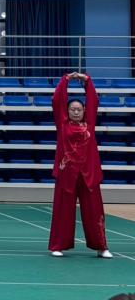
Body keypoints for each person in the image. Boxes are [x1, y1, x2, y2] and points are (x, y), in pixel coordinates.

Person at [48, 72, 111, 258]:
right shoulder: (62, 124)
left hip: (88, 174)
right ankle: (58, 246)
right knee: (63, 212)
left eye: (79, 109)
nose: (76, 112)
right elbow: (56, 99)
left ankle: (101, 247)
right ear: (66, 111)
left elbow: (93, 100)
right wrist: (65, 80)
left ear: (84, 111)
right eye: (72, 109)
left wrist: (87, 81)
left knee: (94, 211)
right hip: (66, 174)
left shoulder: (89, 124)